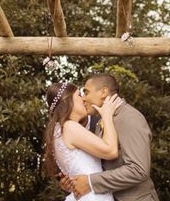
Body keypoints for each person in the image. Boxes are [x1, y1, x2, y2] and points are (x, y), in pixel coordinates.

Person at [64, 73, 159, 201]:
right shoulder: (102, 121)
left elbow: (138, 170)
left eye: (86, 93)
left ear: (103, 92)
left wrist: (91, 182)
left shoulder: (129, 118)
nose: (84, 99)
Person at [44, 81, 123, 200]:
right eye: (79, 95)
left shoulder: (57, 131)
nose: (84, 99)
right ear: (68, 101)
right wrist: (107, 115)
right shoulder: (70, 127)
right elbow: (111, 151)